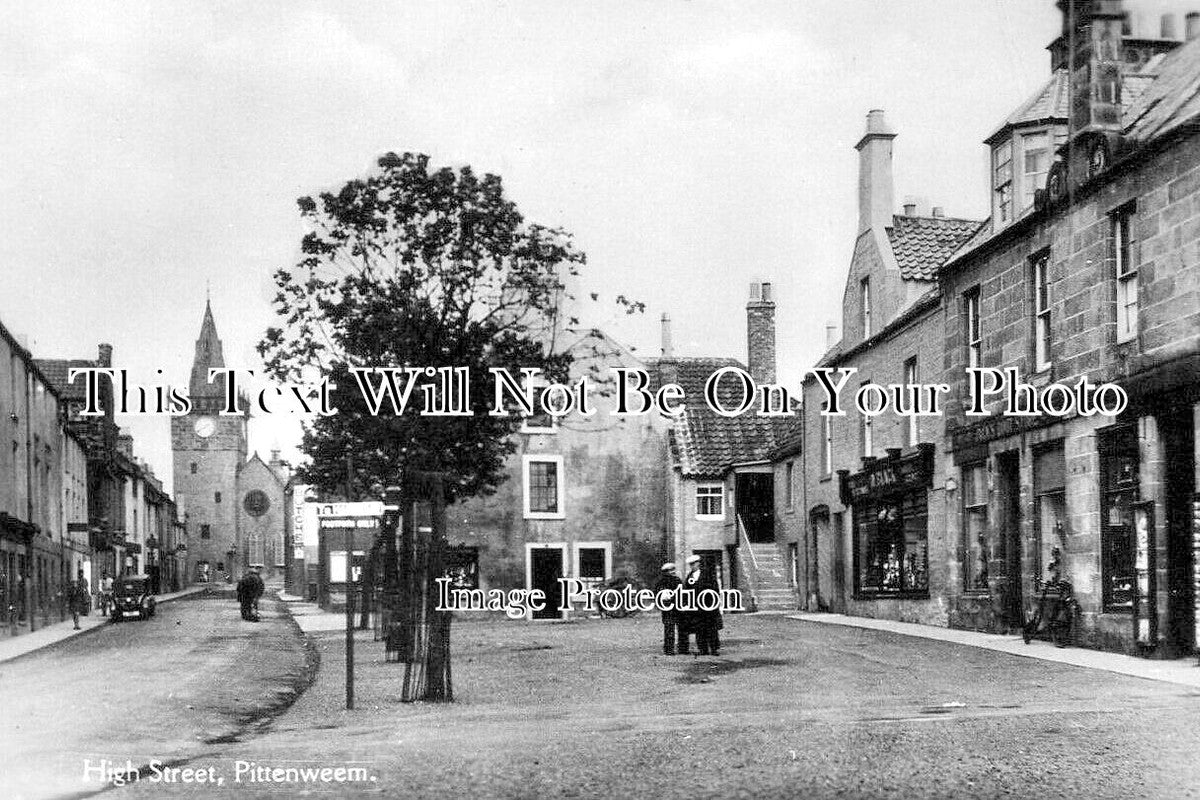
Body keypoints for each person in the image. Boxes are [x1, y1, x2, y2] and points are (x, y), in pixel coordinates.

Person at [683, 555, 722, 656]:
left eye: (694, 563)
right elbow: (686, 592)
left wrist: (713, 602)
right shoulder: (689, 577)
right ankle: (703, 649)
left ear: (698, 563)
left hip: (708, 606)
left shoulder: (707, 574)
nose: (692, 566)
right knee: (699, 629)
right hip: (696, 608)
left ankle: (714, 649)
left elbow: (715, 588)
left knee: (711, 628)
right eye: (690, 564)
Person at [652, 562, 682, 655]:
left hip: (677, 608)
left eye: (673, 570)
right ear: (666, 572)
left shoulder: (677, 580)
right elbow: (657, 595)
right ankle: (669, 649)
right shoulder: (662, 583)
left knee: (678, 629)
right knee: (670, 630)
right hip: (668, 609)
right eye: (670, 570)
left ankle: (679, 649)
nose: (673, 572)